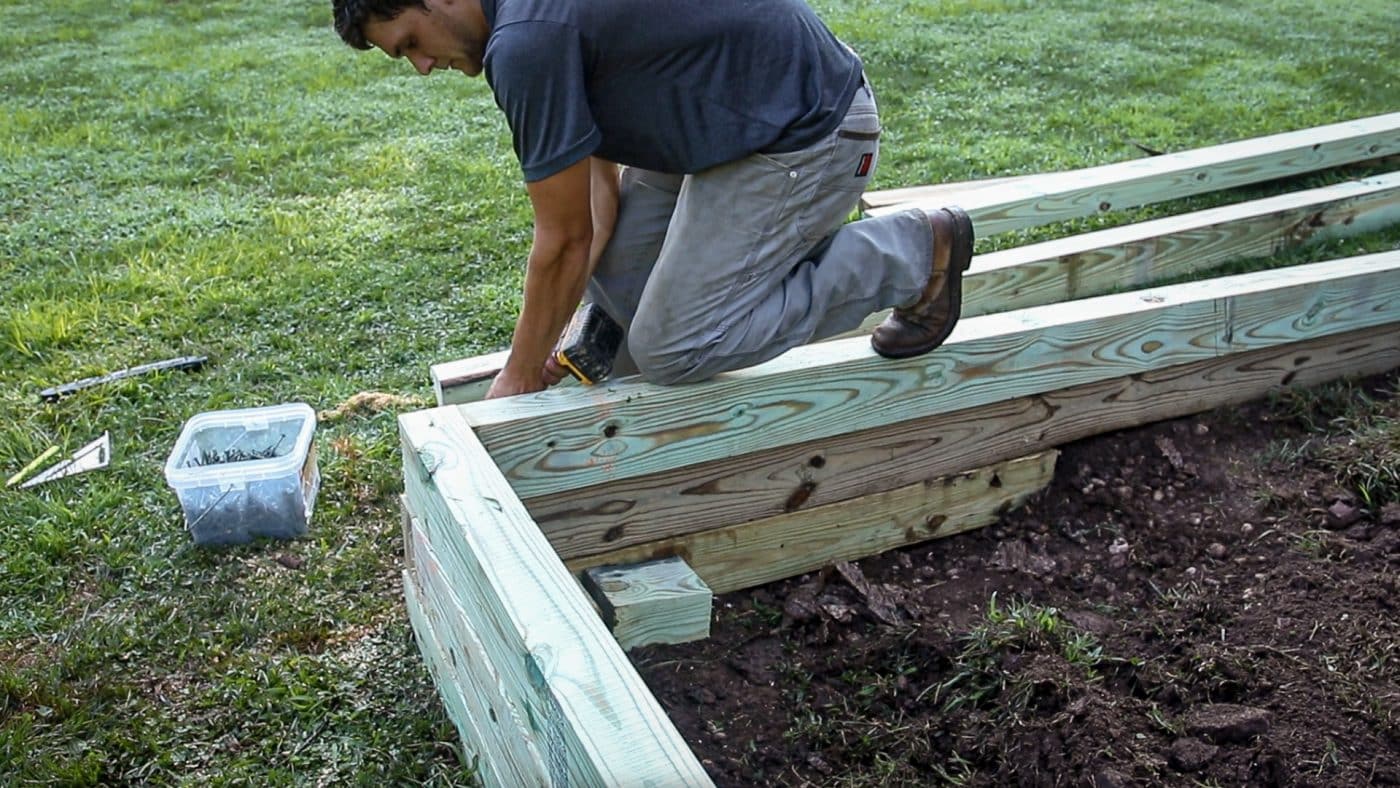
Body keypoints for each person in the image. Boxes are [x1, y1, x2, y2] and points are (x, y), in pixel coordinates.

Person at [332, 0, 973, 399]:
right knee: (615, 294)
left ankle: (917, 249)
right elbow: (595, 201)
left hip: (812, 129)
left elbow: (561, 243)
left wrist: (520, 373)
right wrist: (564, 335)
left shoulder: (523, 43)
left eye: (411, 42)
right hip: (737, 116)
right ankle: (623, 366)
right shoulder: (529, 18)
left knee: (674, 347)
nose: (420, 66)